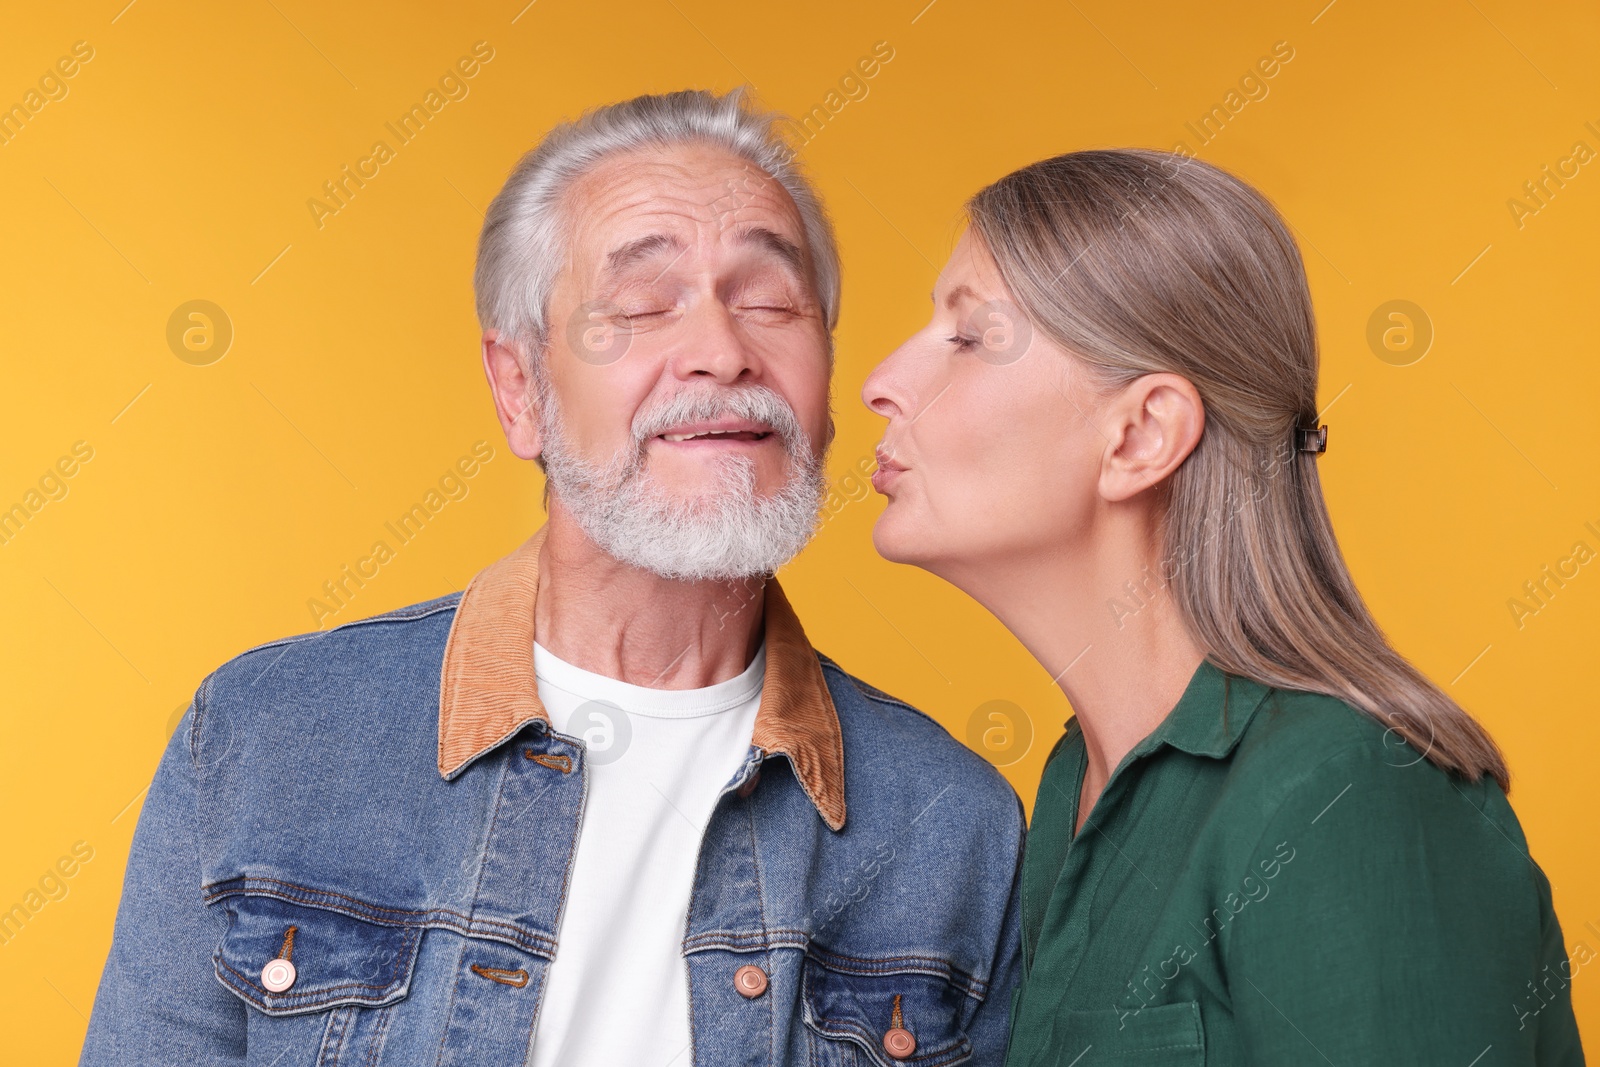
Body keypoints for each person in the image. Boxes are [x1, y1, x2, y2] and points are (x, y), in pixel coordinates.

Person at [80, 89, 1024, 1067]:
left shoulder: (955, 824)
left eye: (771, 301)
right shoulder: (264, 734)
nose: (721, 351)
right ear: (519, 387)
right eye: (642, 306)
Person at [862, 148, 1585, 1064]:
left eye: (968, 338)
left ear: (1142, 434)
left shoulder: (1346, 795)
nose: (880, 380)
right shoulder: (1069, 793)